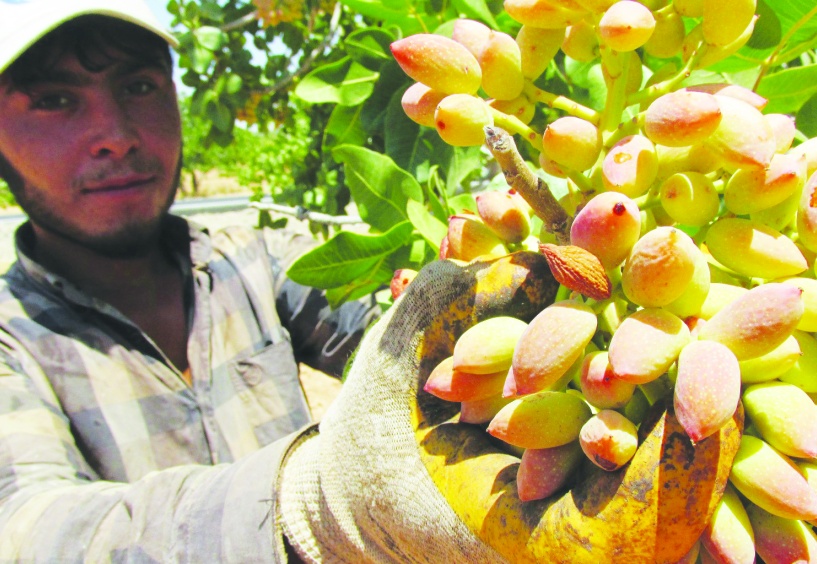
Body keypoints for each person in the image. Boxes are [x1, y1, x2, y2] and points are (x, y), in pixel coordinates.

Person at [0, 0, 381, 560]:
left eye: (139, 86)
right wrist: (294, 502)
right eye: (54, 101)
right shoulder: (12, 342)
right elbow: (26, 524)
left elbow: (389, 321)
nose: (116, 135)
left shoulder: (252, 262)